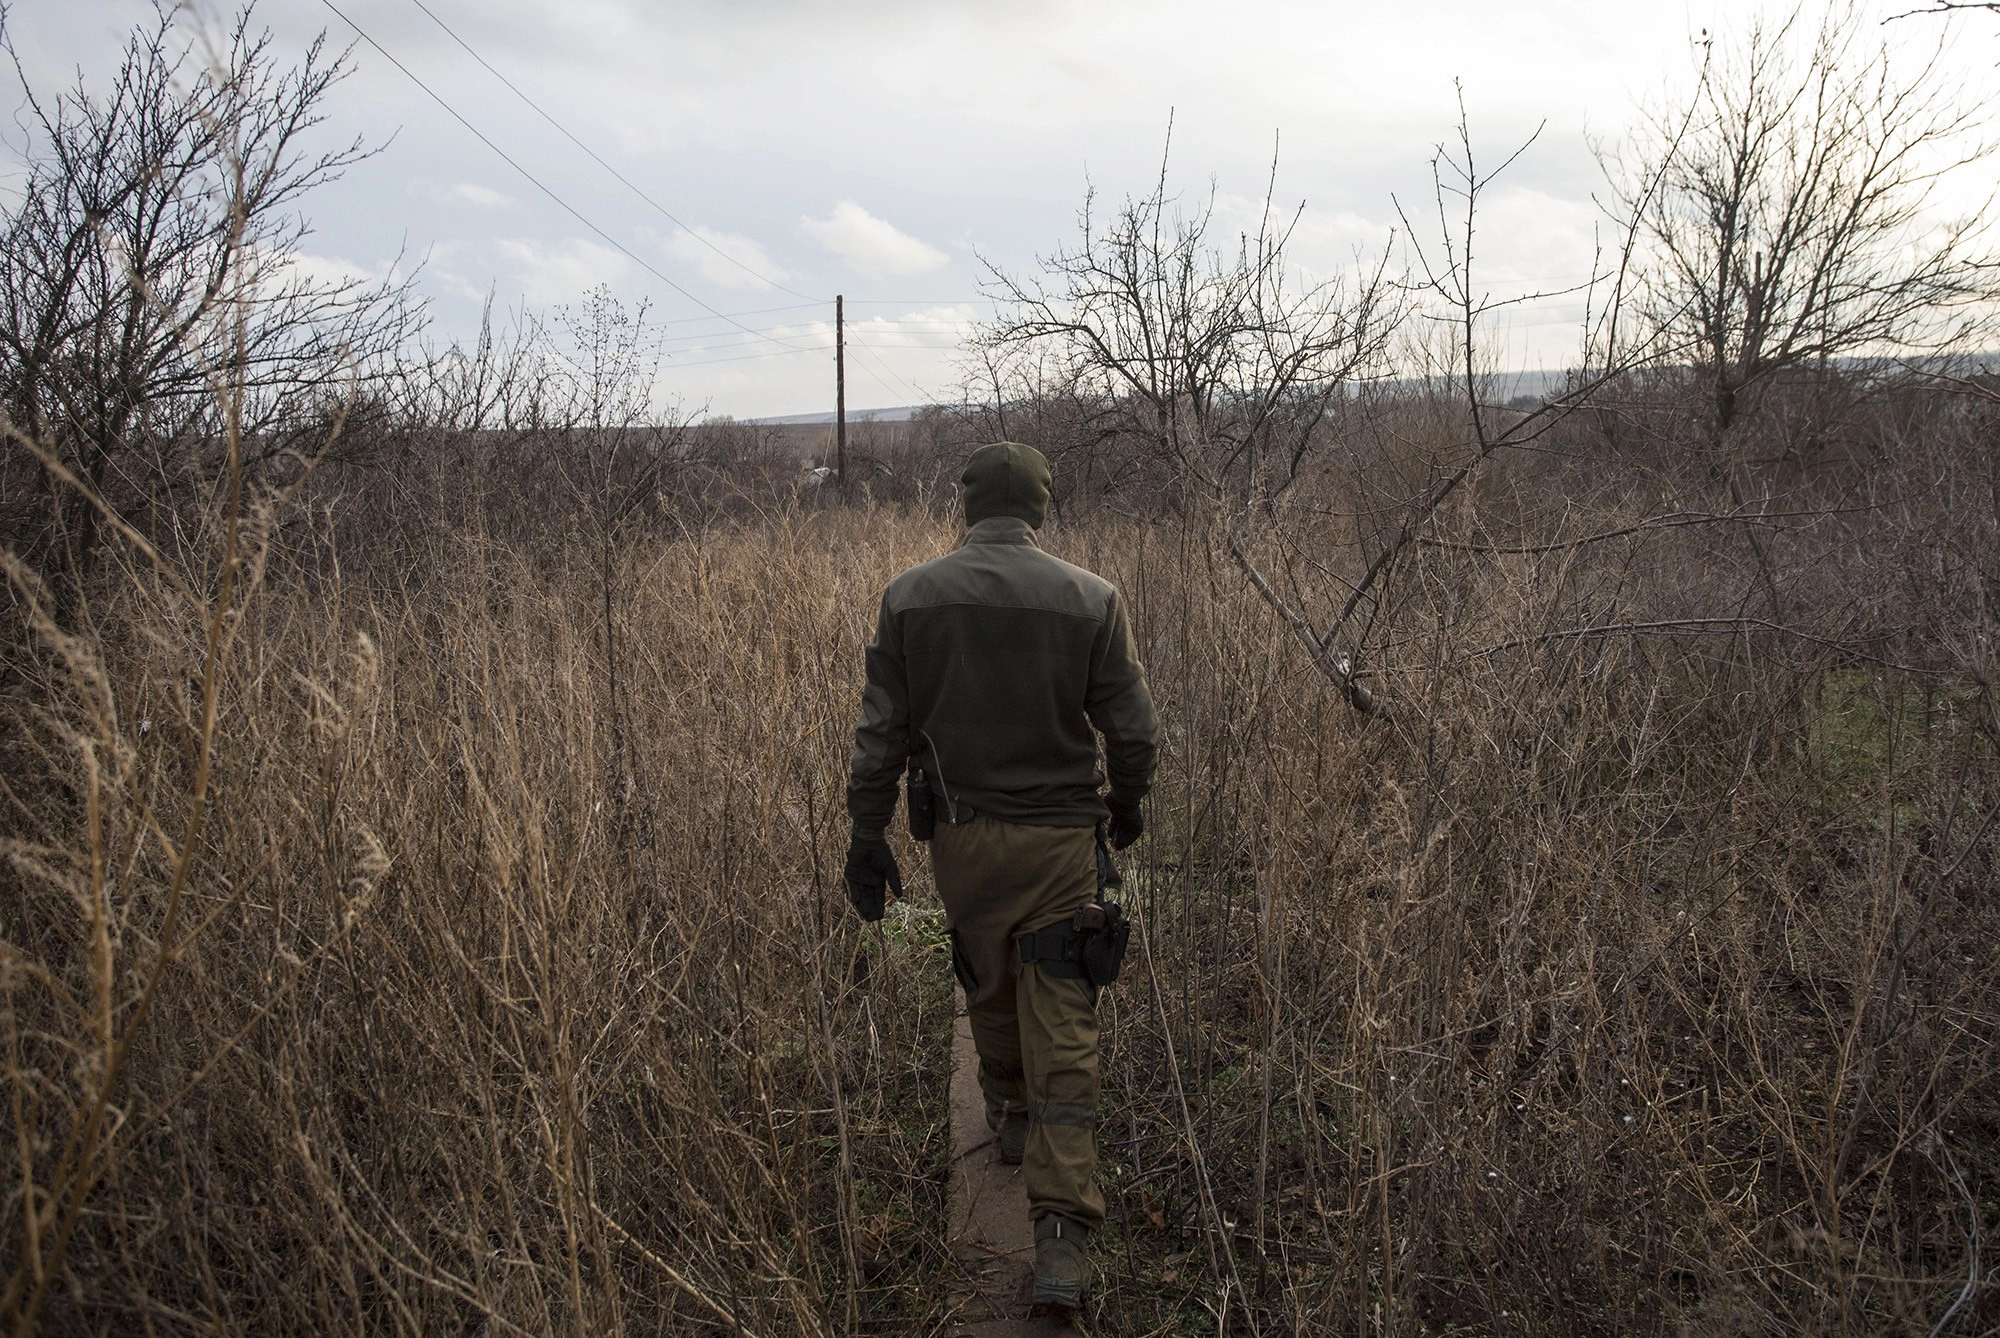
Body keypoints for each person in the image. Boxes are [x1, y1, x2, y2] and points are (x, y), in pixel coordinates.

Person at [843, 440, 1159, 1313]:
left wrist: (866, 835)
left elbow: (882, 733)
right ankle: (1059, 1237)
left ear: (969, 504)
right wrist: (1127, 809)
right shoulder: (1092, 598)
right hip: (1060, 847)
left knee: (985, 978)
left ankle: (1009, 1113)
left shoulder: (909, 597)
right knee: (1063, 1015)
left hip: (964, 844)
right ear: (1041, 506)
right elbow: (1133, 734)